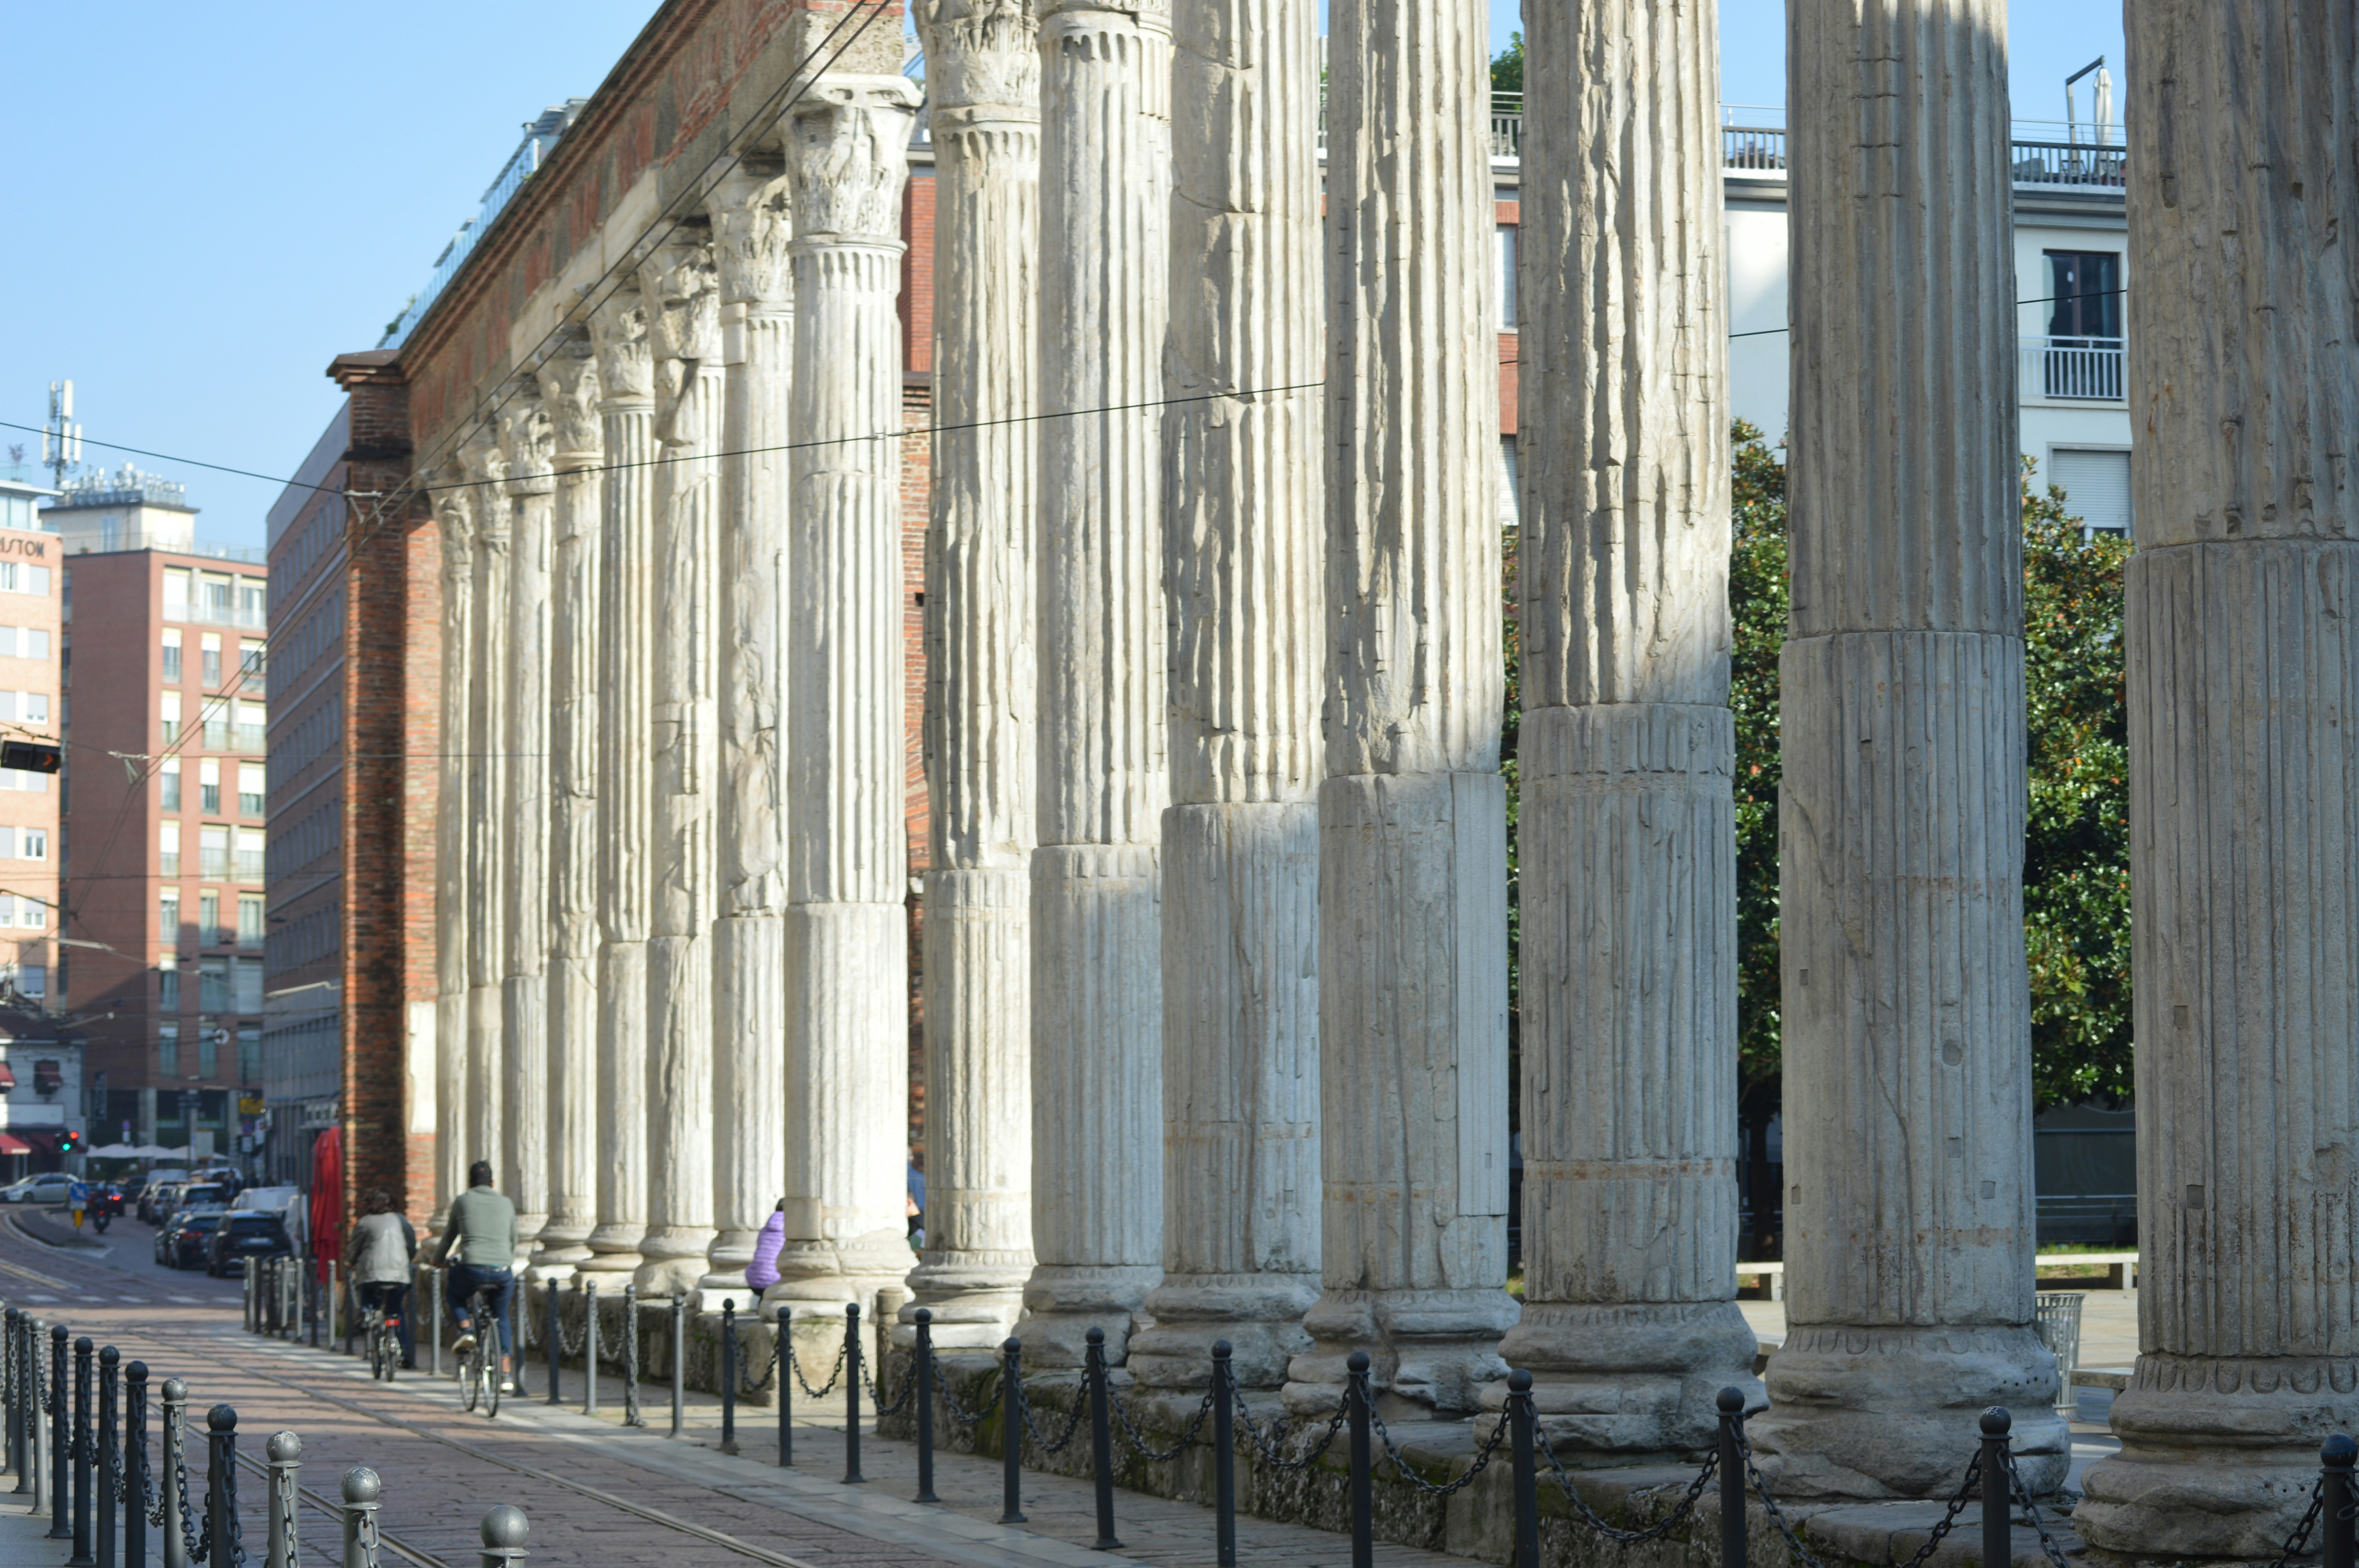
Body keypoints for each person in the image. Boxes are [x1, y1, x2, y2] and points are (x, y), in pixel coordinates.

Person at [435, 1161, 519, 1392]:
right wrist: (506, 1260)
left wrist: (437, 1259)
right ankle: (506, 1374)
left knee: (454, 1294)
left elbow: (449, 1236)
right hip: (503, 1270)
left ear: (470, 1183)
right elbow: (513, 1238)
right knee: (501, 1317)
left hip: (471, 1267)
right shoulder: (507, 1203)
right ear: (493, 1183)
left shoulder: (463, 1201)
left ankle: (466, 1331)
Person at [347, 1187, 418, 1368]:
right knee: (397, 1311)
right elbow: (411, 1244)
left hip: (372, 1274)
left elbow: (354, 1249)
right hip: (398, 1274)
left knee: (370, 1300)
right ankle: (405, 1353)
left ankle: (369, 1317)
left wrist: (351, 1262)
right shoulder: (401, 1221)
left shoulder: (365, 1223)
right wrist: (407, 1259)